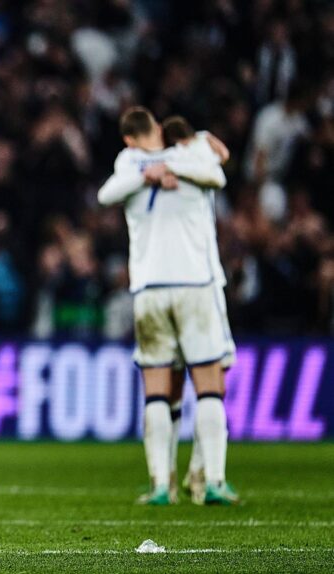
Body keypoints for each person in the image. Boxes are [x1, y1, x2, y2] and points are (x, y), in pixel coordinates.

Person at [97, 106, 239, 506]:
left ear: (128, 138)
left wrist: (147, 174)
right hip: (196, 284)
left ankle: (162, 484)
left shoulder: (128, 163)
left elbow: (106, 194)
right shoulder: (190, 156)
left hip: (149, 289)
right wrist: (190, 156)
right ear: (158, 128)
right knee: (210, 384)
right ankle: (212, 481)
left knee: (158, 388)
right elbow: (218, 172)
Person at [161, 115, 236, 505]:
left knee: (172, 384)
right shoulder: (196, 164)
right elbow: (222, 156)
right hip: (203, 283)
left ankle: (176, 476)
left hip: (166, 287)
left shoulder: (157, 171)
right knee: (213, 380)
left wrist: (198, 141)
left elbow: (220, 153)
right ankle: (202, 475)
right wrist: (203, 140)